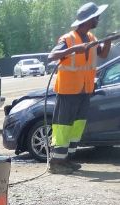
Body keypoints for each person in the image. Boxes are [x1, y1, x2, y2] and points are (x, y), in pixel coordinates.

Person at [47, 2, 119, 174]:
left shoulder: (92, 39)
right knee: (63, 127)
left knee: (76, 127)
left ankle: (67, 160)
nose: (98, 20)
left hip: (84, 92)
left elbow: (102, 54)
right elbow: (51, 56)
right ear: (89, 19)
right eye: (96, 17)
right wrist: (73, 49)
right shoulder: (68, 39)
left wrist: (108, 40)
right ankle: (56, 163)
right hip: (68, 92)